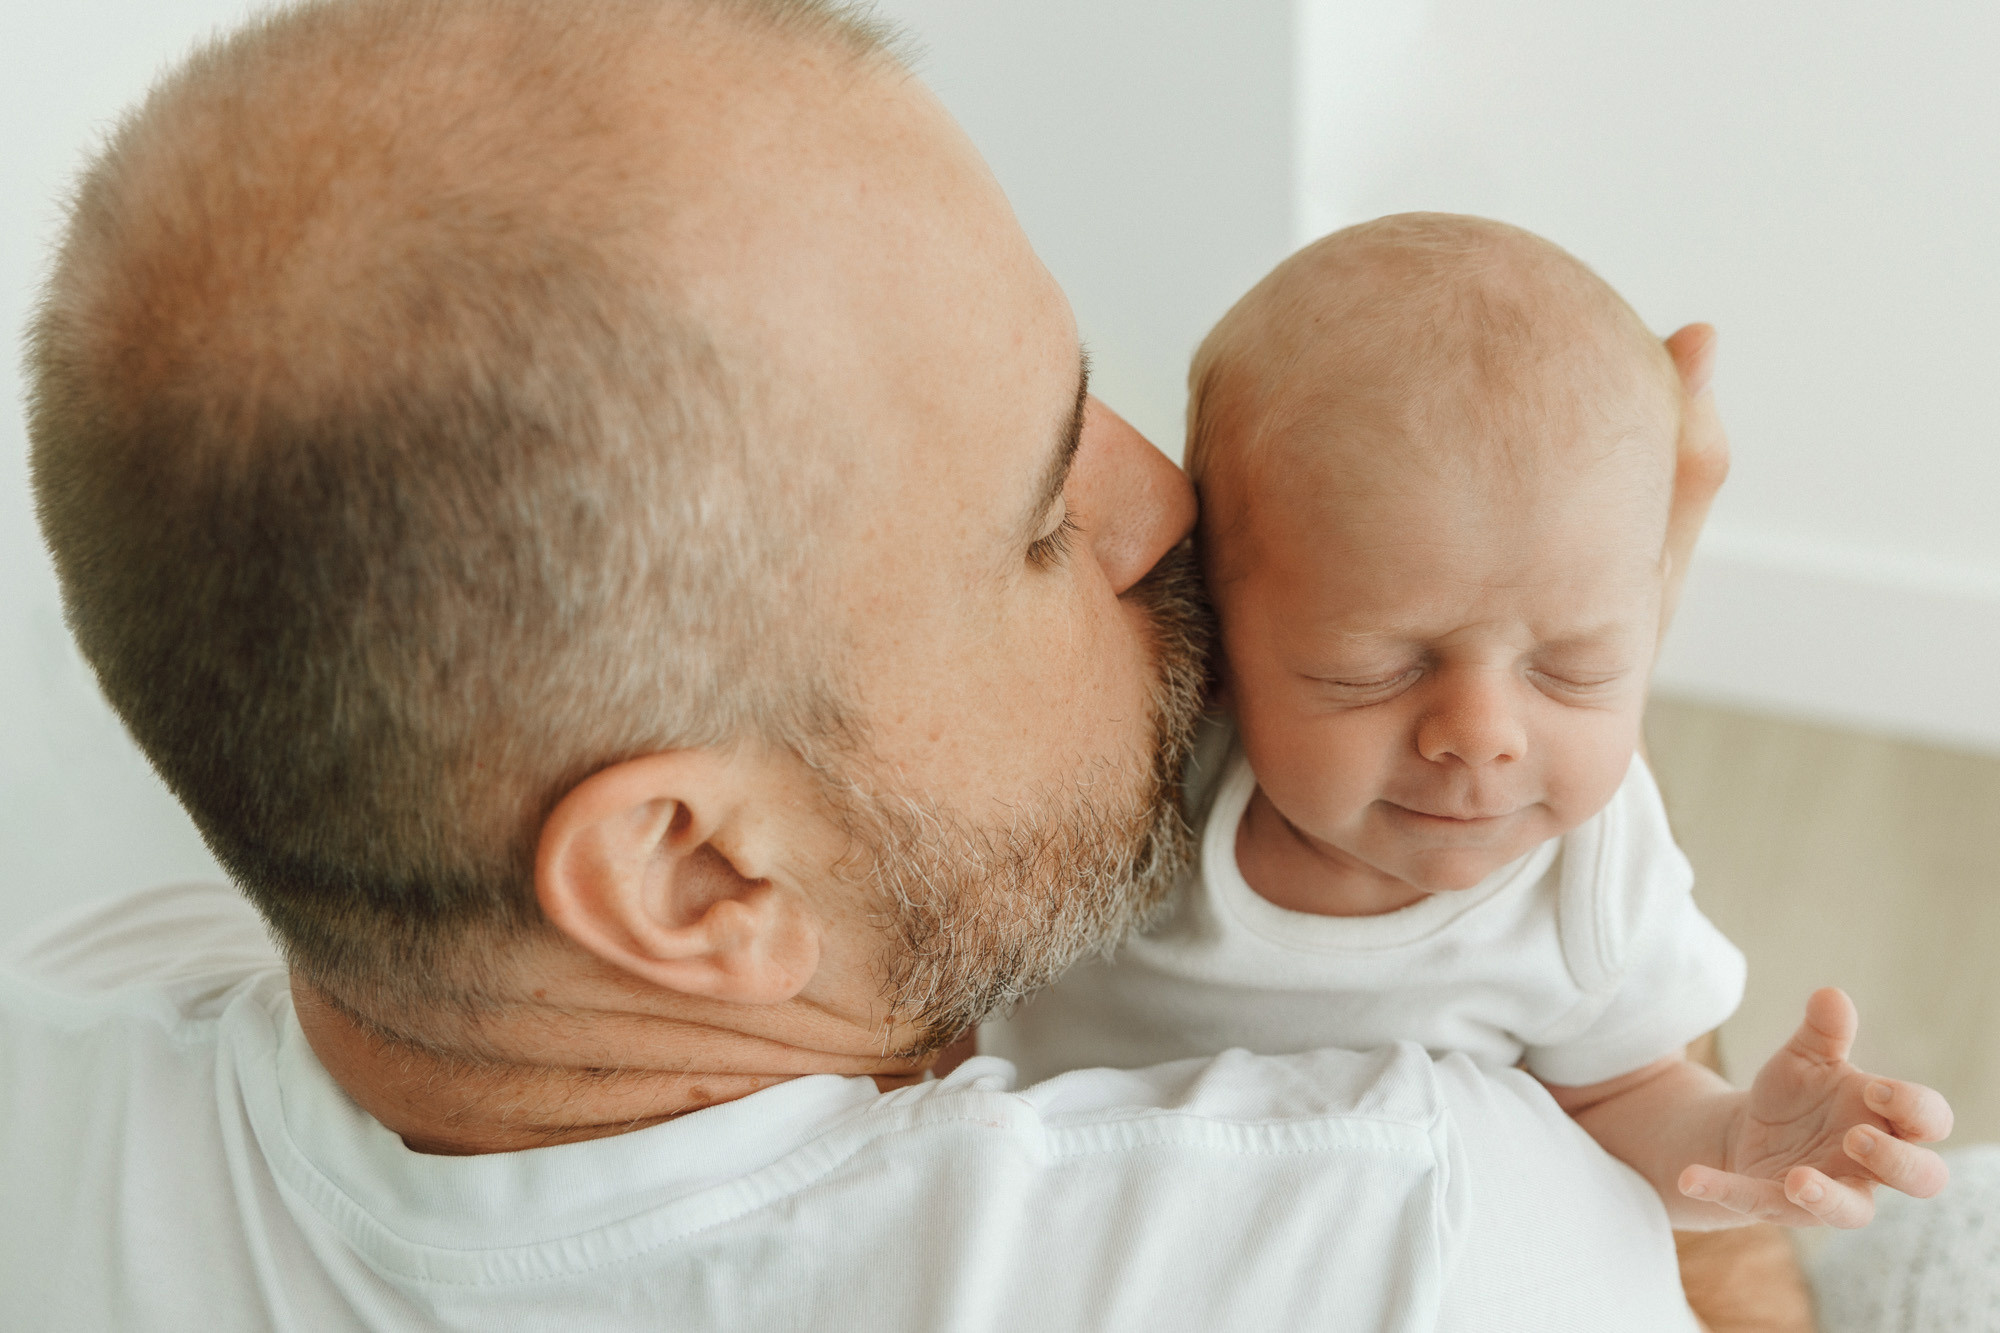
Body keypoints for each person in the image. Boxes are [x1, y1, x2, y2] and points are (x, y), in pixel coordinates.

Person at [0, 1, 1784, 1327]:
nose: (1167, 504)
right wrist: (1556, 721)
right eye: (1034, 515)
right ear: (698, 873)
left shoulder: (51, 1076)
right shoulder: (1406, 1243)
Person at [986, 215, 1954, 1231]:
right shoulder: (1139, 764)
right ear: (1216, 641)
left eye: (1570, 669)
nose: (1482, 735)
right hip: (1079, 1222)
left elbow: (1616, 1097)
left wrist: (1732, 1143)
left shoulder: (1588, 879)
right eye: (1380, 668)